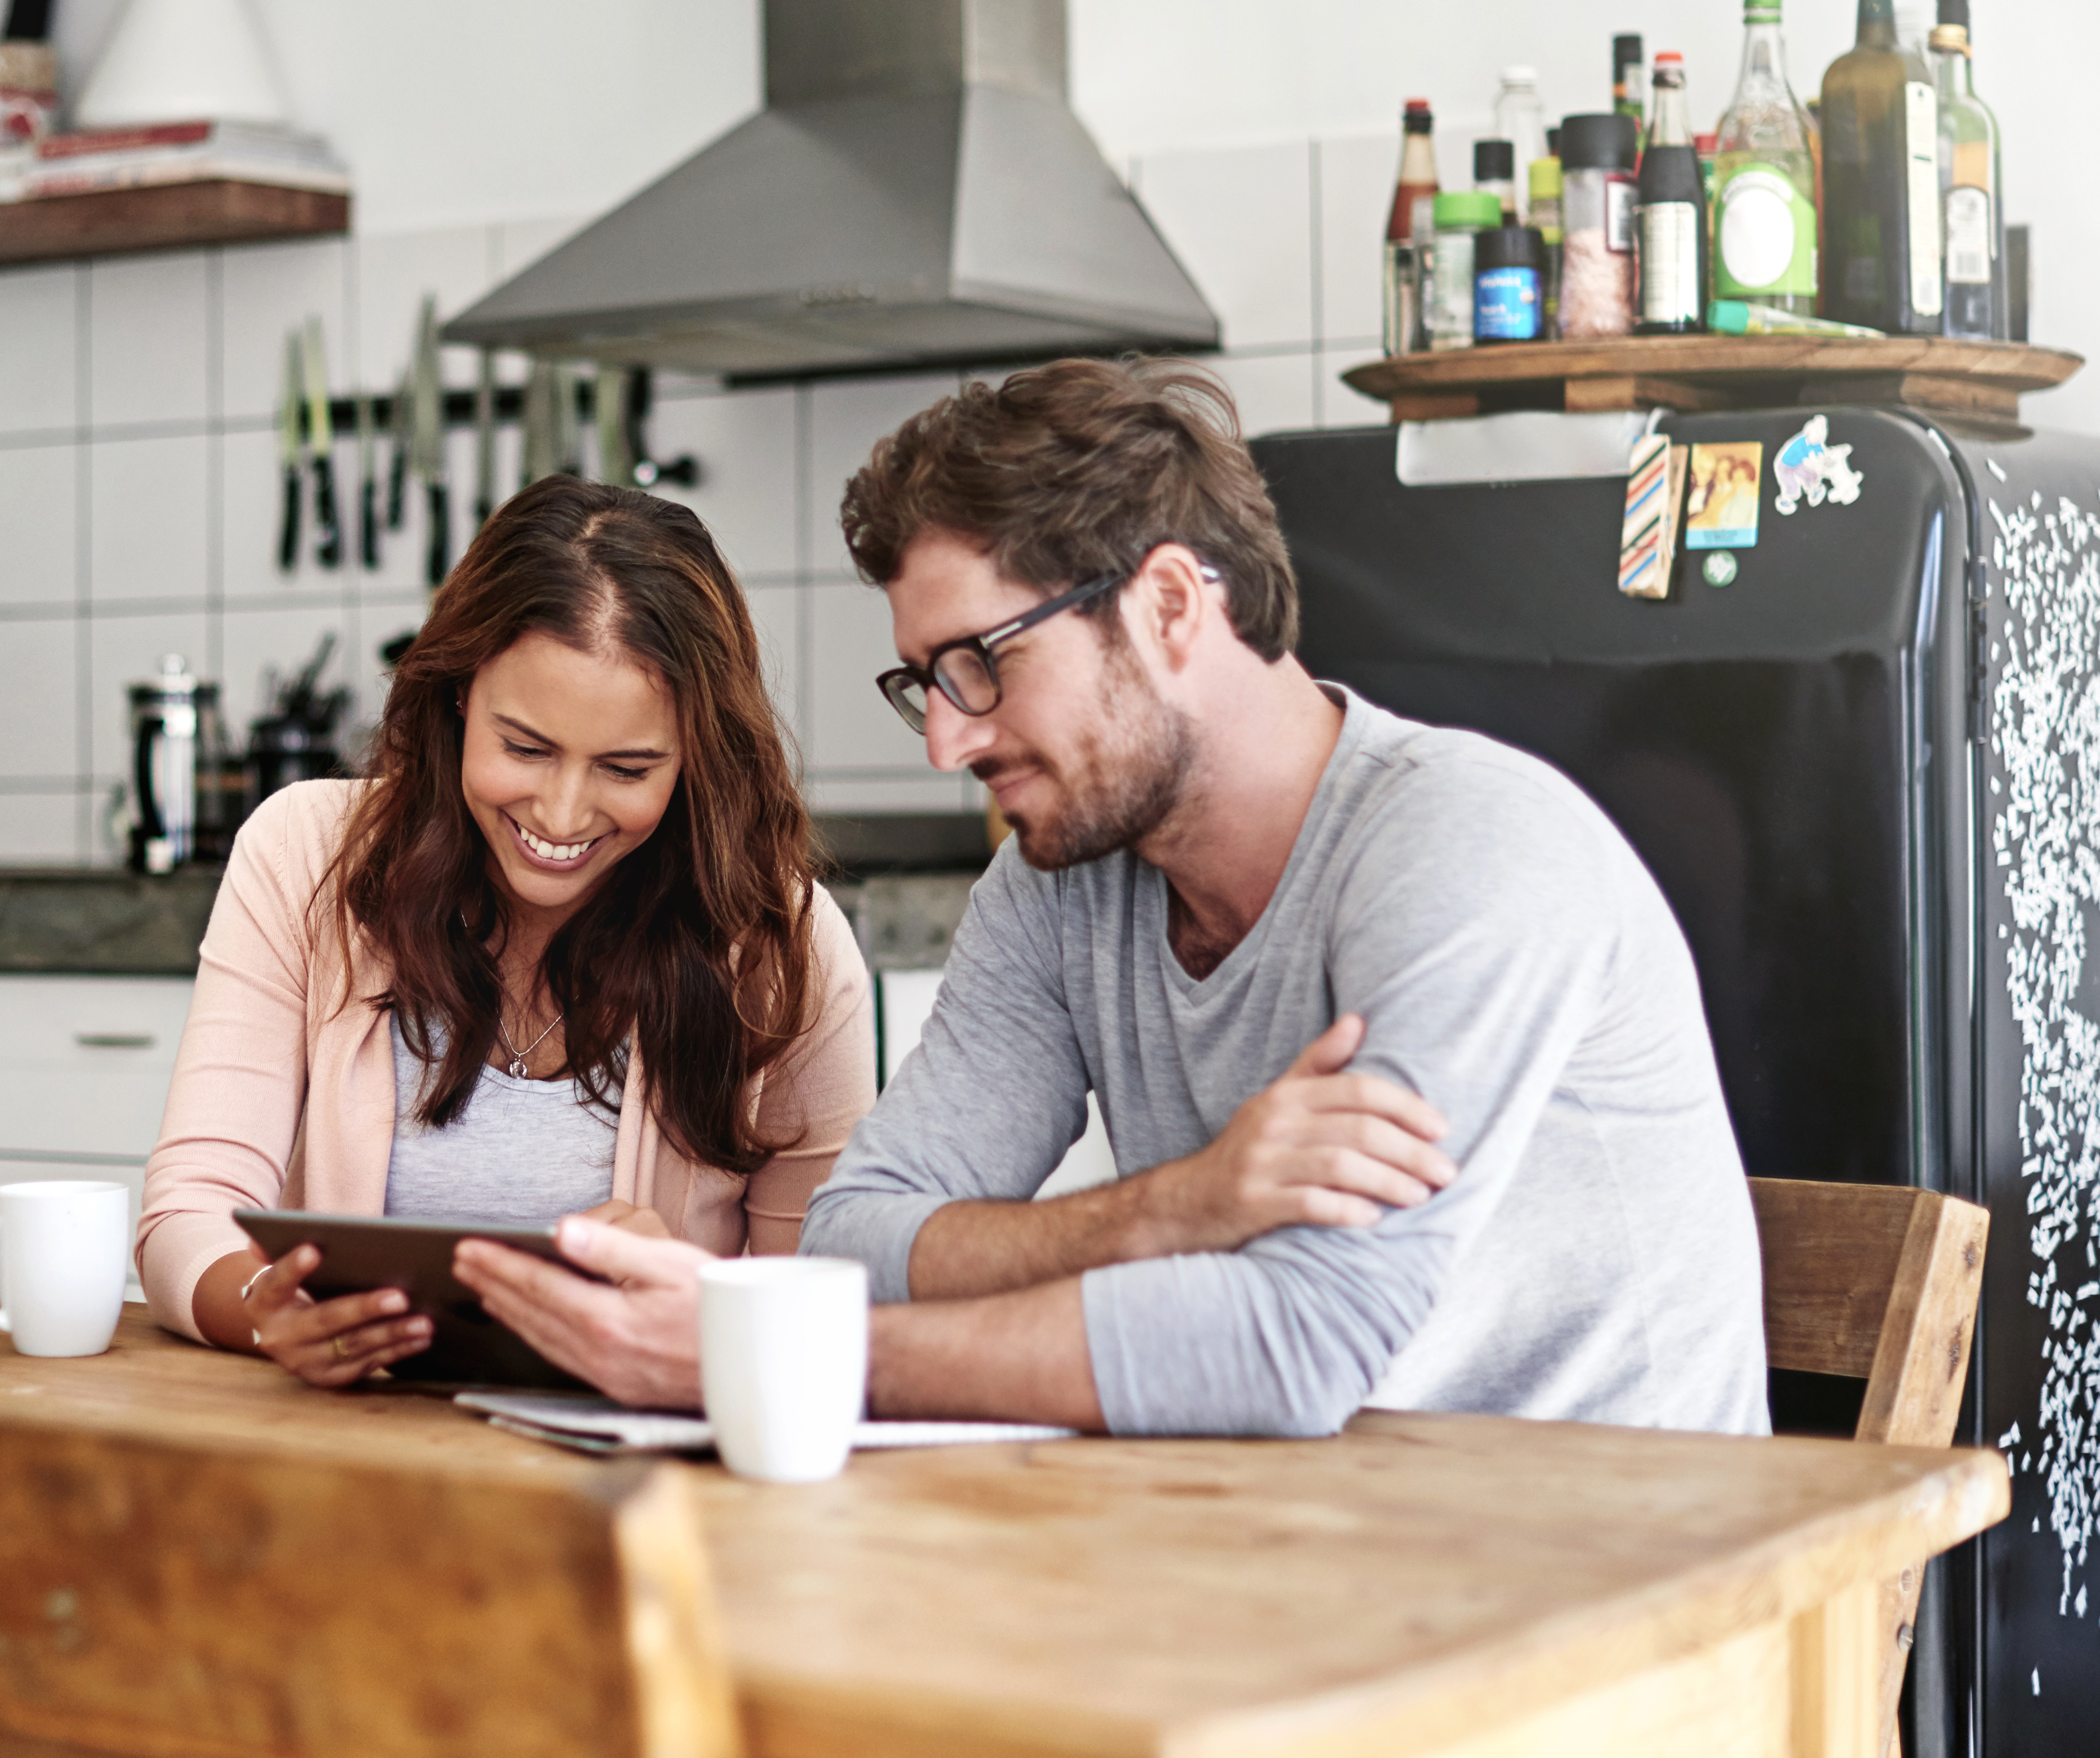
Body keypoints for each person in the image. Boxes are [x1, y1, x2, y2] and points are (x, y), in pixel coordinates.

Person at [456, 358, 1768, 1438]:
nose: (948, 742)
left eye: (980, 665)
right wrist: (1174, 1207)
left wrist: (761, 1363)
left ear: (1170, 605)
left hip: (1625, 1615)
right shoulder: (1058, 885)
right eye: (926, 682)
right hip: (1306, 1572)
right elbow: (859, 1228)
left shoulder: (1467, 847)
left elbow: (1292, 1344)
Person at [136, 474, 875, 1388]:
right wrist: (261, 1309)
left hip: (645, 1500)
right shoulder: (304, 856)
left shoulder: (778, 943)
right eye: (523, 747)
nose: (562, 814)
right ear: (456, 695)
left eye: (627, 766)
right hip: (345, 1464)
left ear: (696, 760)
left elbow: (831, 1305)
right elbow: (190, 1208)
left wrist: (697, 1302)